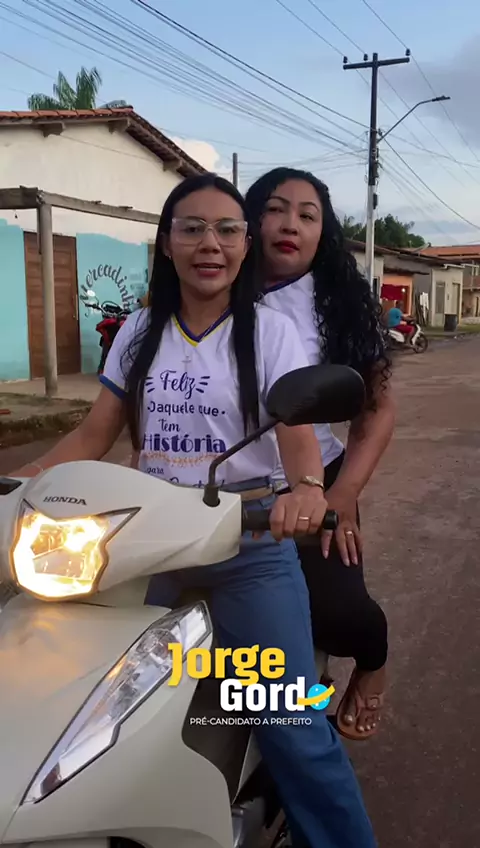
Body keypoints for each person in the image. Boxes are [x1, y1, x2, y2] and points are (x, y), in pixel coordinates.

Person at [11, 174, 376, 848]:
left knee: (291, 724)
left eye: (228, 230)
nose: (211, 243)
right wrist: (18, 482)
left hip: (247, 548)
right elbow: (93, 436)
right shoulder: (139, 330)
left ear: (244, 246)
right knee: (70, 692)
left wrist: (306, 489)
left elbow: (298, 434)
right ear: (167, 244)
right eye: (193, 228)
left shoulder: (270, 333)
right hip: (142, 545)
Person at [245, 168, 395, 741]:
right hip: (223, 480)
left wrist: (344, 493)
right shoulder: (215, 291)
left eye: (307, 216)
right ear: (251, 221)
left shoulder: (337, 305)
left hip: (314, 479)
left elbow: (376, 409)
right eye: (276, 209)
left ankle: (373, 663)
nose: (290, 225)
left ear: (322, 233)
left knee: (336, 611)